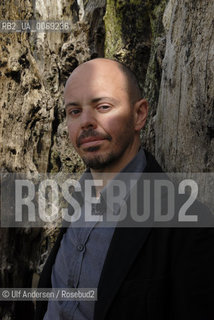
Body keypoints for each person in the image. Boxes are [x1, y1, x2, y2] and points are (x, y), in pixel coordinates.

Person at [35, 58, 214, 320]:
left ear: (139, 114)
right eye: (74, 112)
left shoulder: (188, 225)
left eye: (103, 107)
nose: (86, 122)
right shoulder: (77, 200)